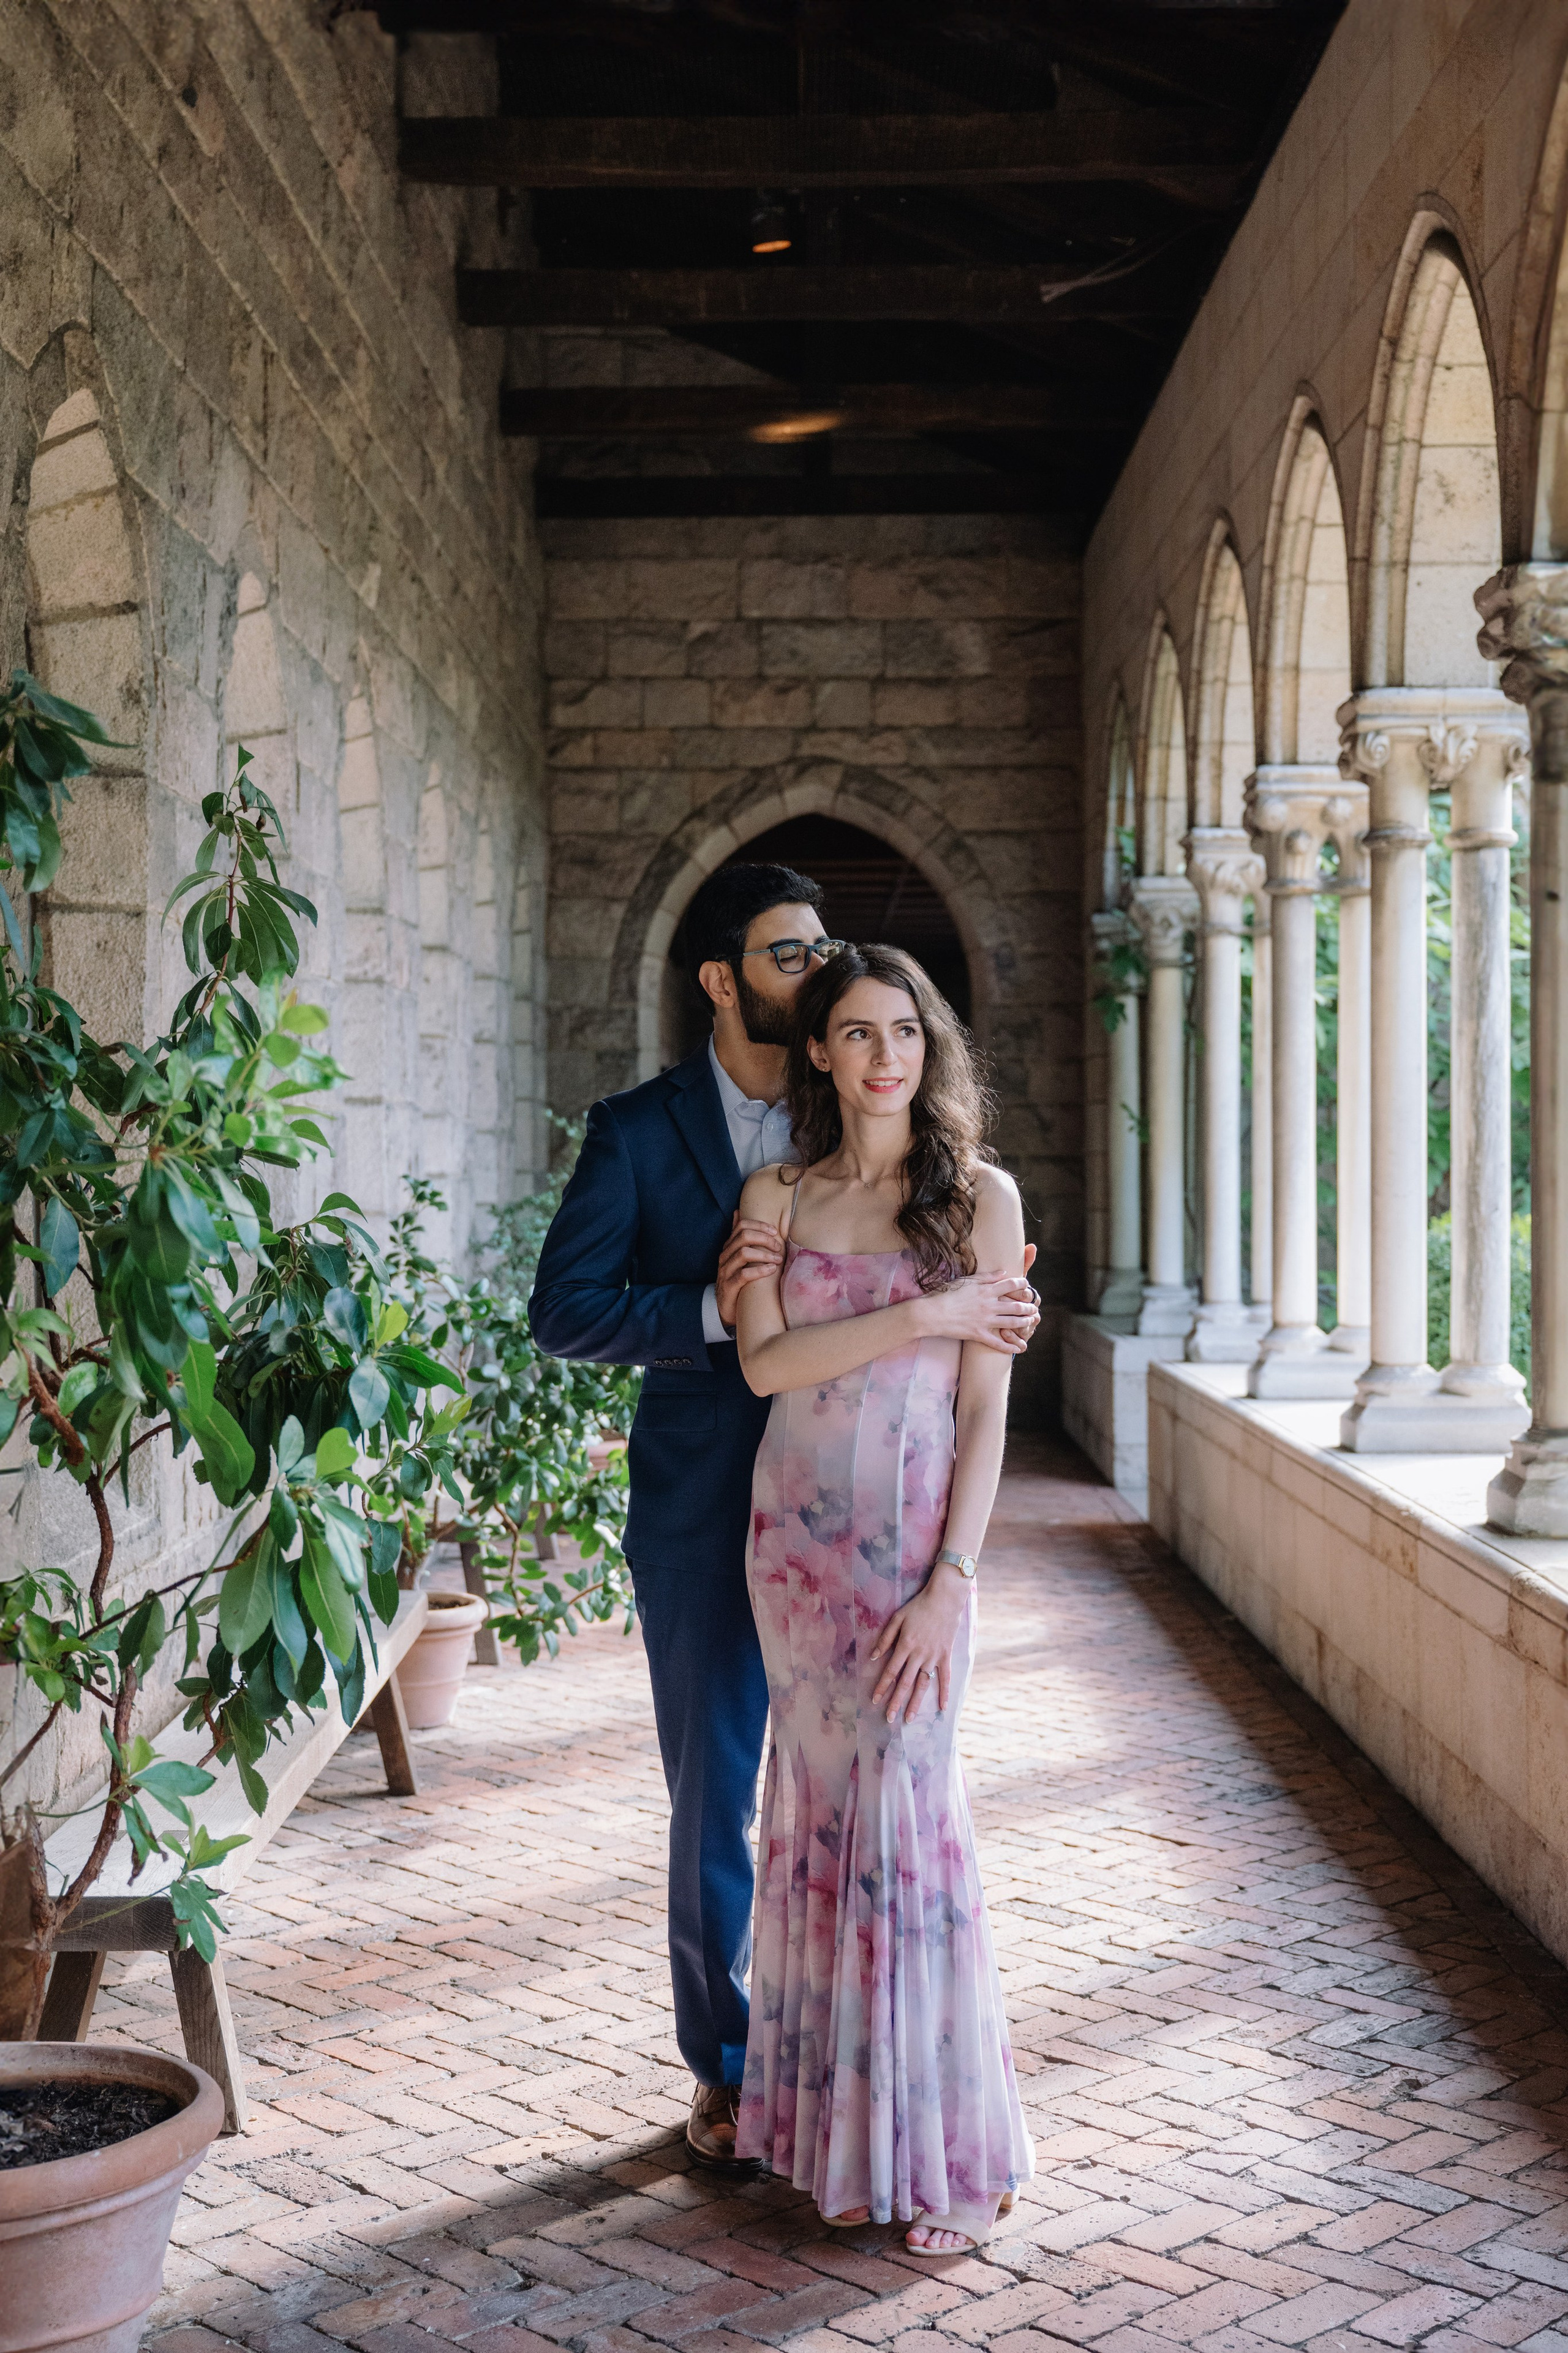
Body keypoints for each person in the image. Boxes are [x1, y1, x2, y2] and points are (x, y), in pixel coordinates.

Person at [527, 864, 854, 2172]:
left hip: (844, 1502)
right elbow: (564, 1308)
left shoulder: (859, 1105)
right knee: (715, 1793)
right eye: (787, 953)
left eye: (822, 945)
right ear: (721, 979)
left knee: (846, 1789)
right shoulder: (636, 1129)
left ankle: (833, 2045)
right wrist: (712, 1314)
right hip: (700, 1505)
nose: (815, 970)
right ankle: (723, 2065)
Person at [732, 942, 1038, 2254]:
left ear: (929, 1046)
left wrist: (950, 1585)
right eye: (855, 1033)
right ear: (817, 1052)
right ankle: (830, 2144)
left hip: (912, 1560)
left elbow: (984, 1415)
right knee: (811, 1832)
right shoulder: (776, 1192)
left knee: (908, 1830)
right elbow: (762, 1366)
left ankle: (937, 2158)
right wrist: (931, 1312)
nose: (883, 1056)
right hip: (791, 1560)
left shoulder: (980, 1200)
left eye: (904, 1031)